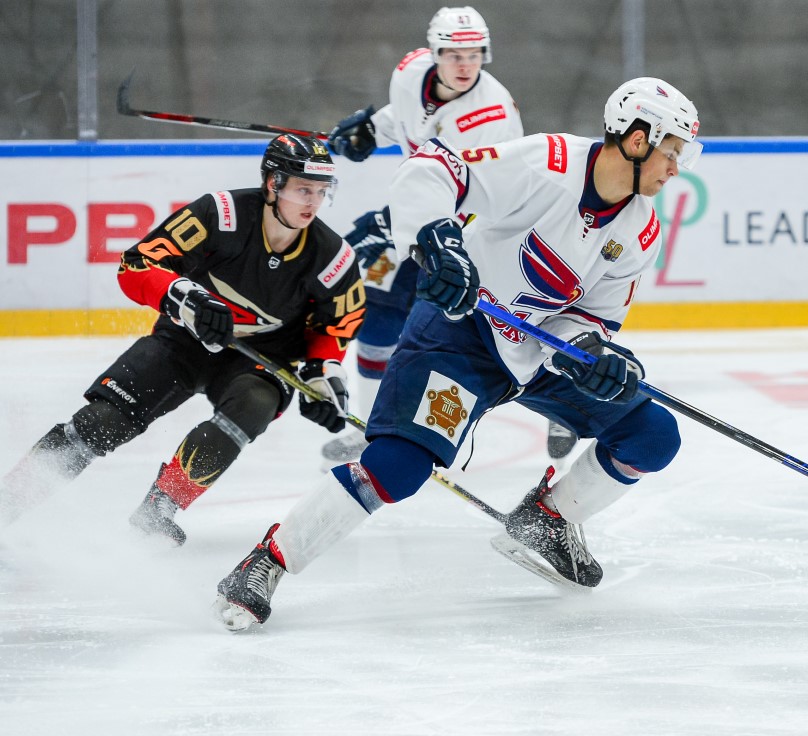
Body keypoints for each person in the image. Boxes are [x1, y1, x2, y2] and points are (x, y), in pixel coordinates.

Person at [213, 77, 703, 631]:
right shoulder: (548, 162)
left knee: (652, 435)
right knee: (396, 468)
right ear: (636, 140)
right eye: (670, 152)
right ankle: (266, 563)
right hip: (459, 331)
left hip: (535, 348)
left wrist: (590, 350)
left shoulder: (640, 231)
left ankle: (549, 520)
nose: (674, 168)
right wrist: (437, 241)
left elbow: (592, 316)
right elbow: (434, 170)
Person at [0, 134, 365, 545]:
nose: (312, 203)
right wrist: (184, 296)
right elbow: (137, 264)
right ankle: (8, 503)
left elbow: (334, 327)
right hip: (185, 340)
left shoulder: (333, 257)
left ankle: (159, 510)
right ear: (272, 185)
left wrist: (320, 376)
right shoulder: (221, 214)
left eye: (320, 192)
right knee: (100, 422)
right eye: (302, 190)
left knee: (253, 405)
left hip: (261, 358)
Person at [321, 6, 577, 464]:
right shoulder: (408, 72)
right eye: (454, 54)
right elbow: (405, 116)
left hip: (479, 232)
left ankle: (565, 403)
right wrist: (368, 128)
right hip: (423, 223)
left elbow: (483, 199)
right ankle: (368, 428)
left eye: (475, 54)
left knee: (493, 338)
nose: (465, 65)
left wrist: (392, 223)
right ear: (434, 53)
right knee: (377, 313)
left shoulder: (492, 115)